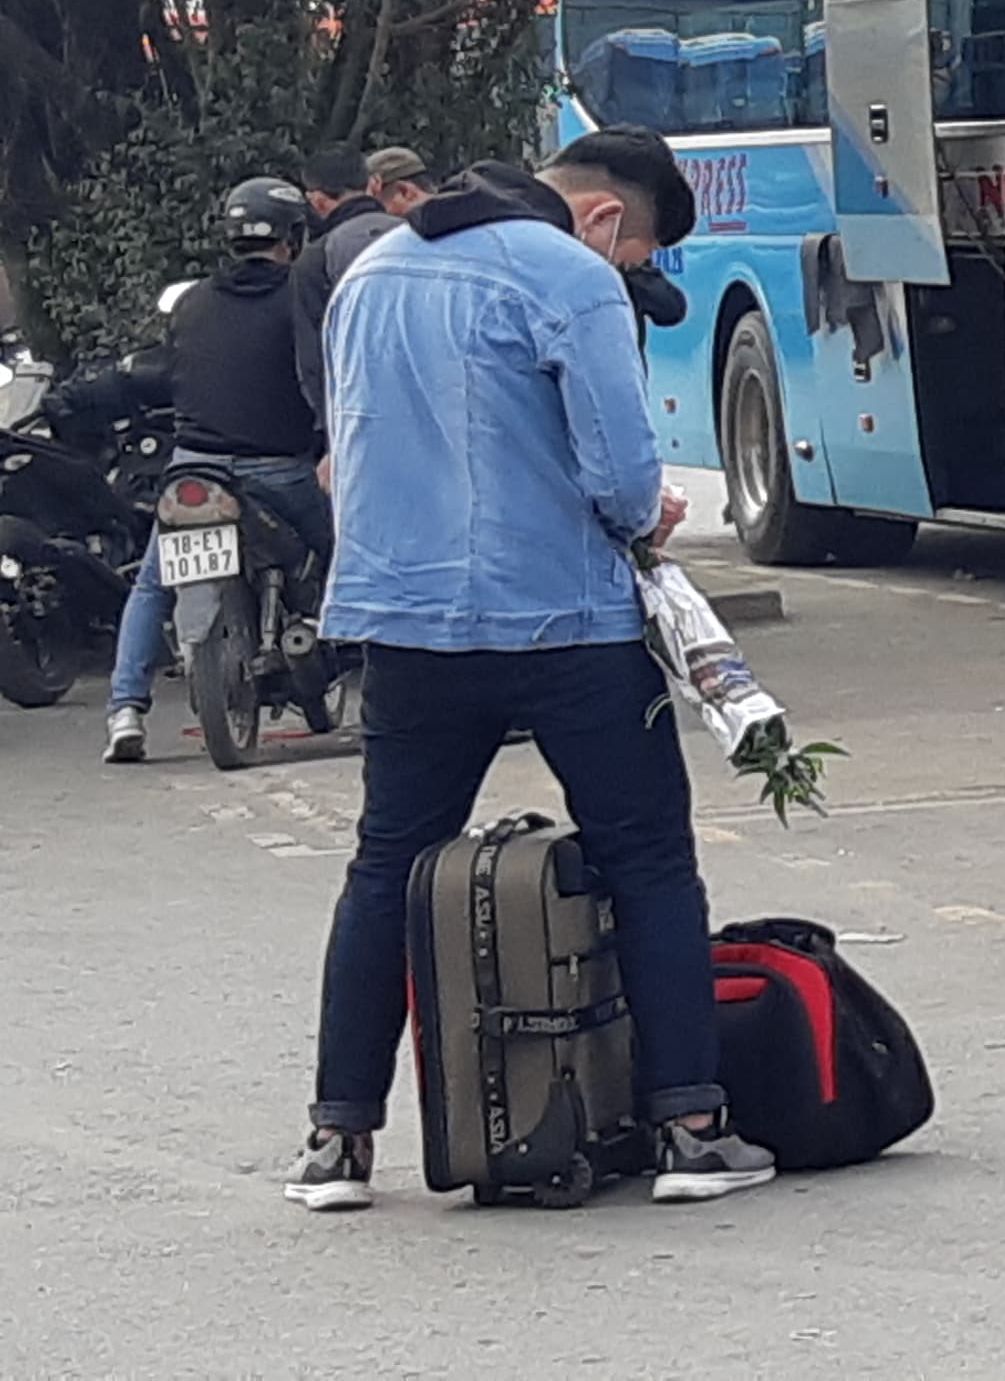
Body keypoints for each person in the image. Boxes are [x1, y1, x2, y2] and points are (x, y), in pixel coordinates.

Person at [285, 128, 778, 1211]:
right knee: (647, 854)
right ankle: (690, 1127)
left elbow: (348, 443)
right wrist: (647, 512)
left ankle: (337, 1140)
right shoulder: (568, 274)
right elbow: (616, 471)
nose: (630, 273)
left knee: (387, 866)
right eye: (637, 253)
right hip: (565, 621)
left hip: (404, 623)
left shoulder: (370, 269)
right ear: (605, 220)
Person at [100, 179, 337, 763]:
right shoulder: (302, 296)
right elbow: (319, 374)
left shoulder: (191, 302)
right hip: (281, 470)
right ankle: (381, 683)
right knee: (351, 553)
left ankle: (125, 710)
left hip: (194, 469)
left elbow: (174, 371)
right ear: (293, 236)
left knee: (153, 583)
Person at [291, 146, 430, 419]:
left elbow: (313, 363)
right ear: (374, 183)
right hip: (429, 404)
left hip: (357, 414)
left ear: (316, 201)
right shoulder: (423, 236)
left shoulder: (316, 258)